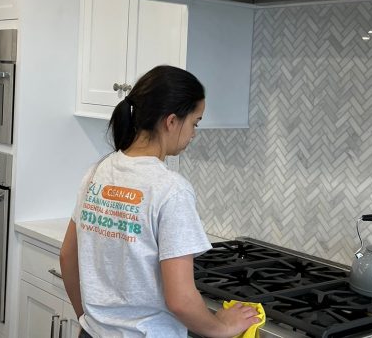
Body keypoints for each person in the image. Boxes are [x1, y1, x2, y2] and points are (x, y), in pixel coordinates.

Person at [60, 65, 259, 338]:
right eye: (195, 122)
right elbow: (180, 300)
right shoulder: (171, 190)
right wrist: (221, 327)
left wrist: (88, 319)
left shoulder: (97, 172)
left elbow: (67, 256)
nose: (194, 133)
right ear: (172, 121)